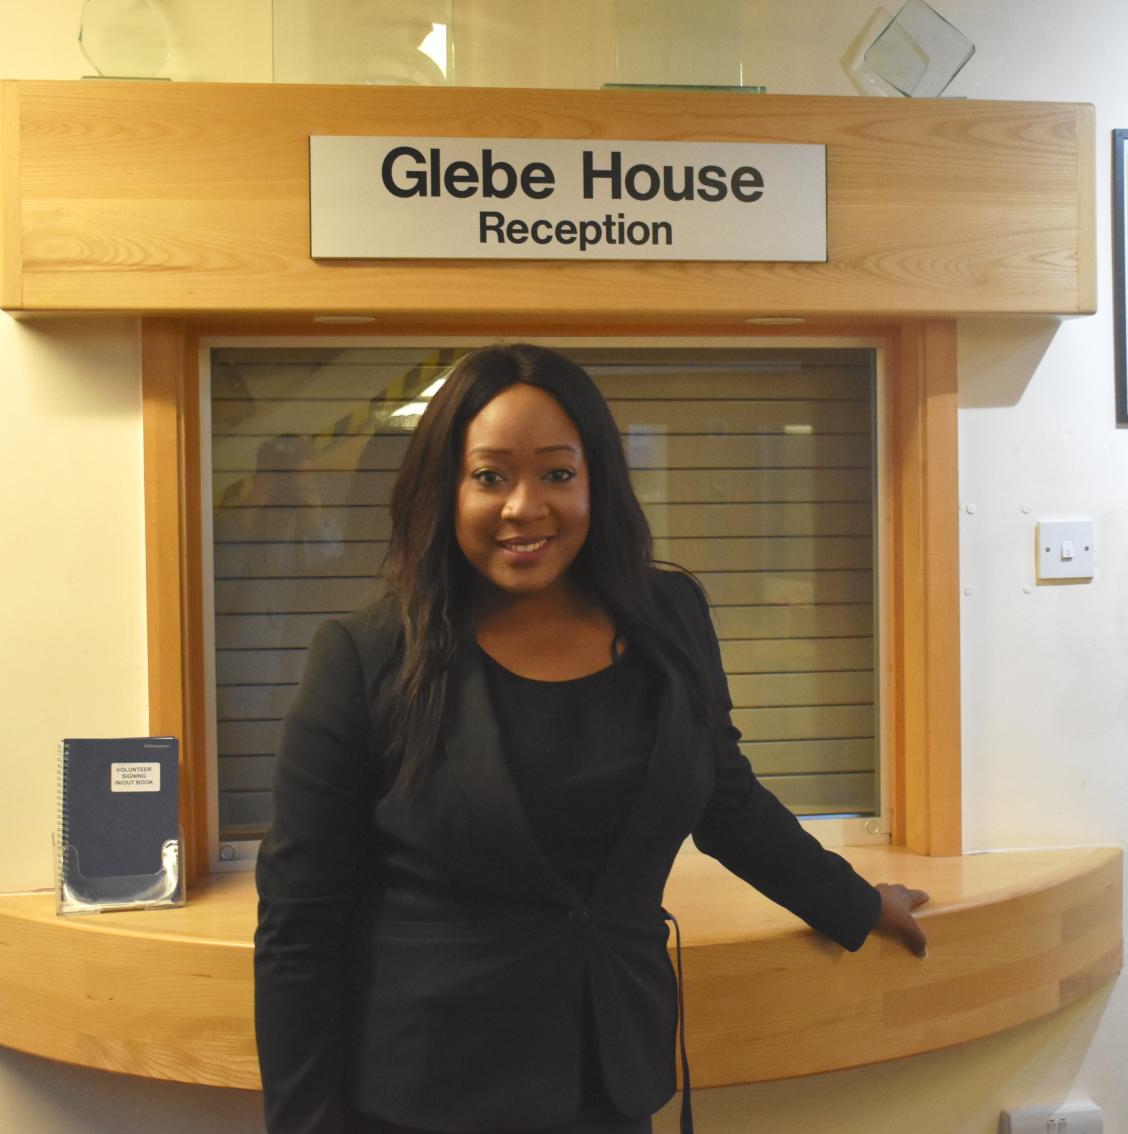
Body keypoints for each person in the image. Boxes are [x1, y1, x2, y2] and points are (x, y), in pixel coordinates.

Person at [254, 343, 929, 1134]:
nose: (524, 506)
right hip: (425, 1093)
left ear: (597, 481)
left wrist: (853, 901)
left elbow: (726, 797)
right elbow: (299, 926)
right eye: (490, 475)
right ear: (446, 489)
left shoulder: (668, 618)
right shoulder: (368, 656)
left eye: (557, 473)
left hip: (608, 1076)